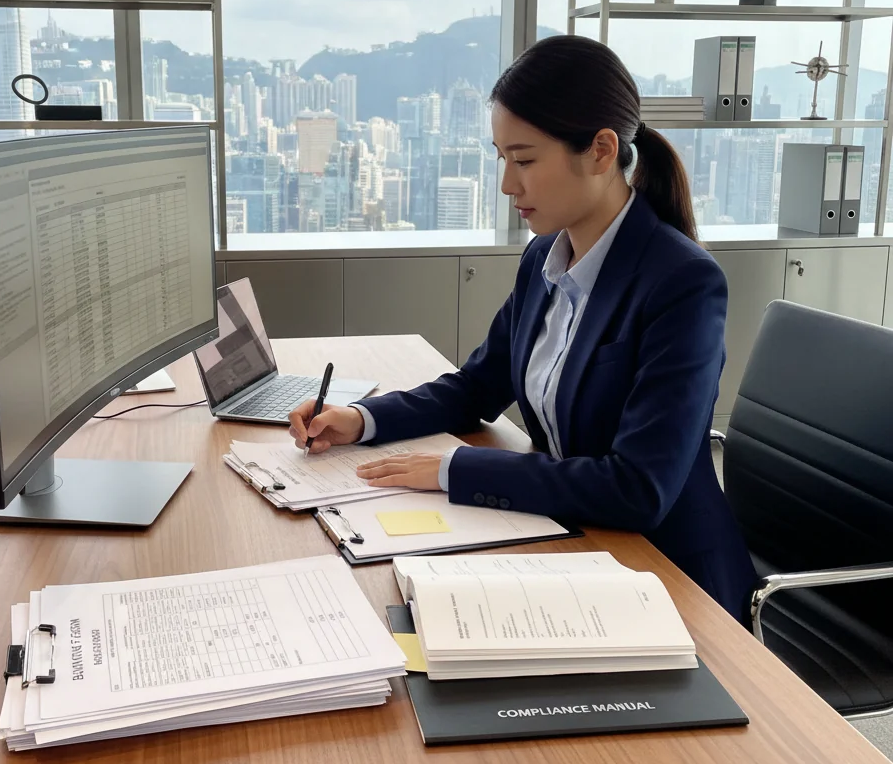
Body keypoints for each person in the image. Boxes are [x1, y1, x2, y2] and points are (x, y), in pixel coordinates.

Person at [288, 35, 757, 623]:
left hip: (670, 580)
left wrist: (453, 470)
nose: (508, 184)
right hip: (577, 541)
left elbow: (640, 488)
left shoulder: (681, 283)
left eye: (526, 159)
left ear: (601, 150)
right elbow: (475, 387)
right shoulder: (543, 259)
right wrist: (364, 419)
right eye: (501, 157)